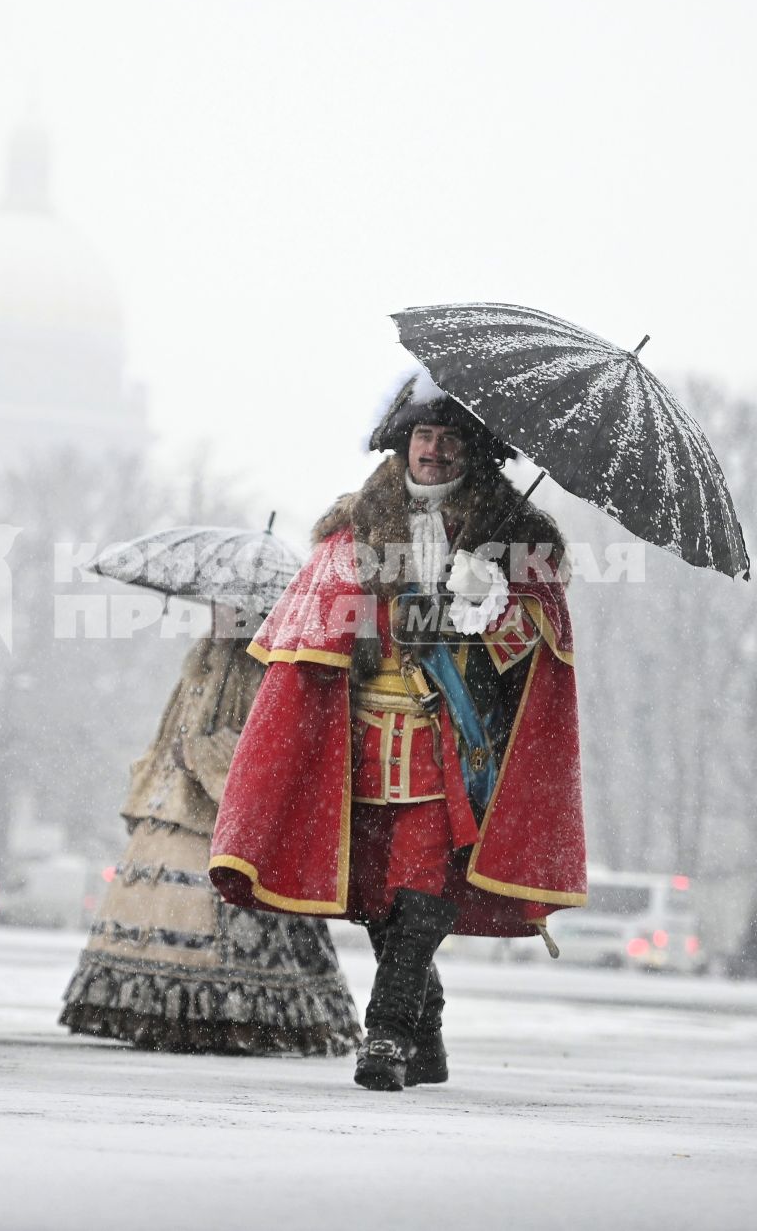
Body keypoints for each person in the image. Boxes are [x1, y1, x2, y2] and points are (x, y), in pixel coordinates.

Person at [210, 365, 588, 1091]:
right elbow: (314, 627)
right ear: (401, 441)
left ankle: (383, 1035)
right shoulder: (354, 526)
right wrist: (384, 621)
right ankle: (429, 1031)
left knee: (423, 888)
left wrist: (490, 603)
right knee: (379, 898)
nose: (435, 451)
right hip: (356, 748)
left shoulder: (515, 535)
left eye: (450, 439)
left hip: (452, 744)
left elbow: (538, 649)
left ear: (474, 450)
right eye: (423, 435)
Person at [60, 603, 361, 1056]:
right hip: (176, 808)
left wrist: (203, 756)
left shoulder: (262, 663)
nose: (221, 614)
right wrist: (161, 774)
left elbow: (266, 742)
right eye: (217, 606)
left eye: (233, 607)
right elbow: (169, 732)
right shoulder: (200, 661)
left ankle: (233, 1017)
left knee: (231, 910)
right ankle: (154, 1014)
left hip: (225, 821)